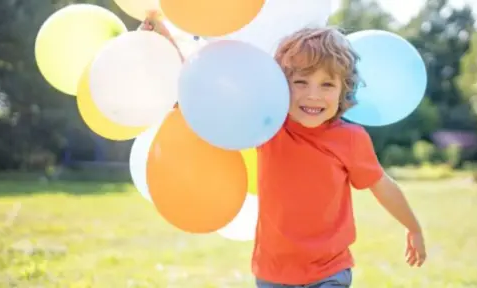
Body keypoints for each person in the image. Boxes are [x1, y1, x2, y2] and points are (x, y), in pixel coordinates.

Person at [143, 12, 426, 288]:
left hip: (330, 270)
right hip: (273, 272)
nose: (313, 94)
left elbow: (381, 185)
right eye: (300, 82)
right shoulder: (269, 124)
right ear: (280, 84)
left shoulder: (350, 138)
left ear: (344, 90)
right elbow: (204, 93)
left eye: (327, 84)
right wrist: (165, 37)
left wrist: (412, 226)